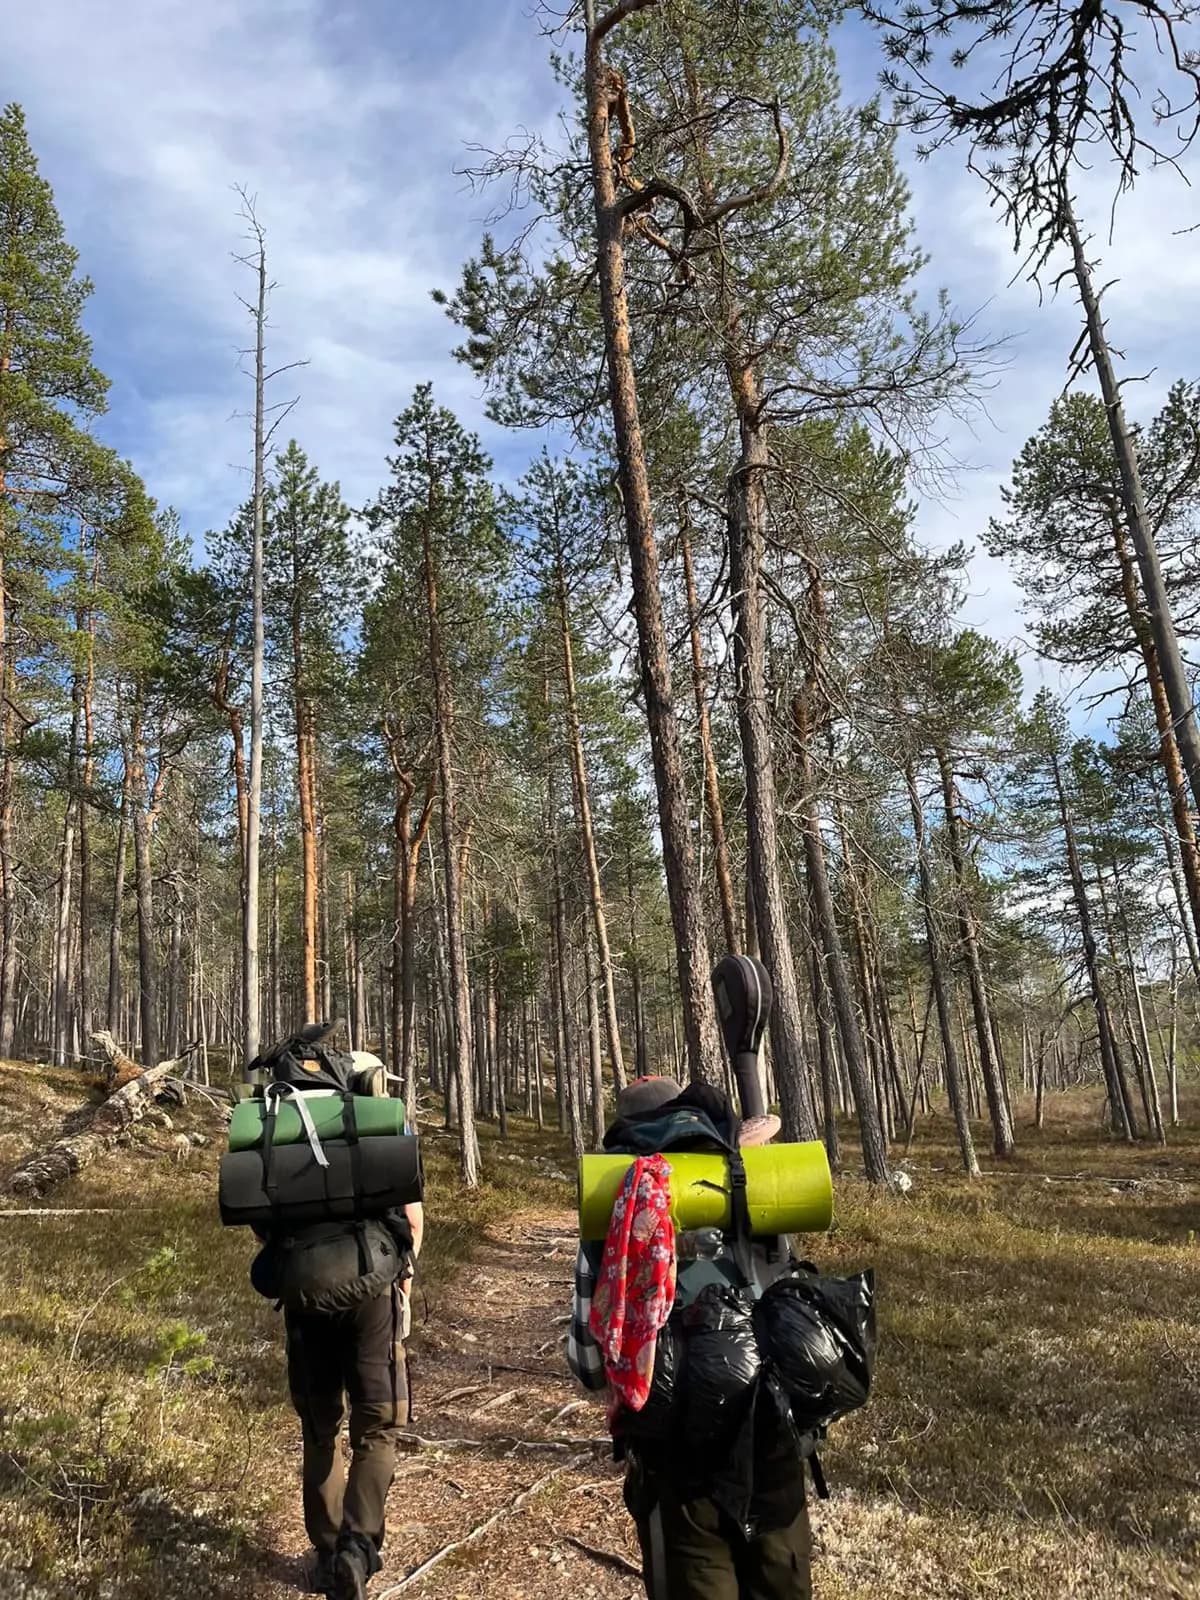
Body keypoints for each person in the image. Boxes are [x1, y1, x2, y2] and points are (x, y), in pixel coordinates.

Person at [568, 1075, 815, 1600]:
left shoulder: (614, 1201)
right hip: (770, 1438)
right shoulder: (749, 1180)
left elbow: (590, 1363)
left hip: (674, 1462)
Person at [249, 1047, 421, 1600]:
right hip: (373, 1288)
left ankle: (327, 1550)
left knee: (320, 1427)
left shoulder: (281, 1132)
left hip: (303, 1294)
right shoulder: (367, 1127)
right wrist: (404, 1285)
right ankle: (358, 1547)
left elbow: (260, 1223)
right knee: (378, 1424)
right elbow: (408, 1216)